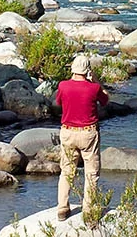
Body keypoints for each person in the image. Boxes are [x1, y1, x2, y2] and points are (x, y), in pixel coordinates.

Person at [54, 55, 109, 223]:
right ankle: (89, 210)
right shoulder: (93, 88)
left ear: (72, 69)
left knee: (67, 171)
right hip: (88, 133)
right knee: (91, 173)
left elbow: (58, 103)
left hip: (68, 132)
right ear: (87, 71)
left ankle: (63, 208)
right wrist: (97, 81)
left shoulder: (63, 86)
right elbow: (106, 100)